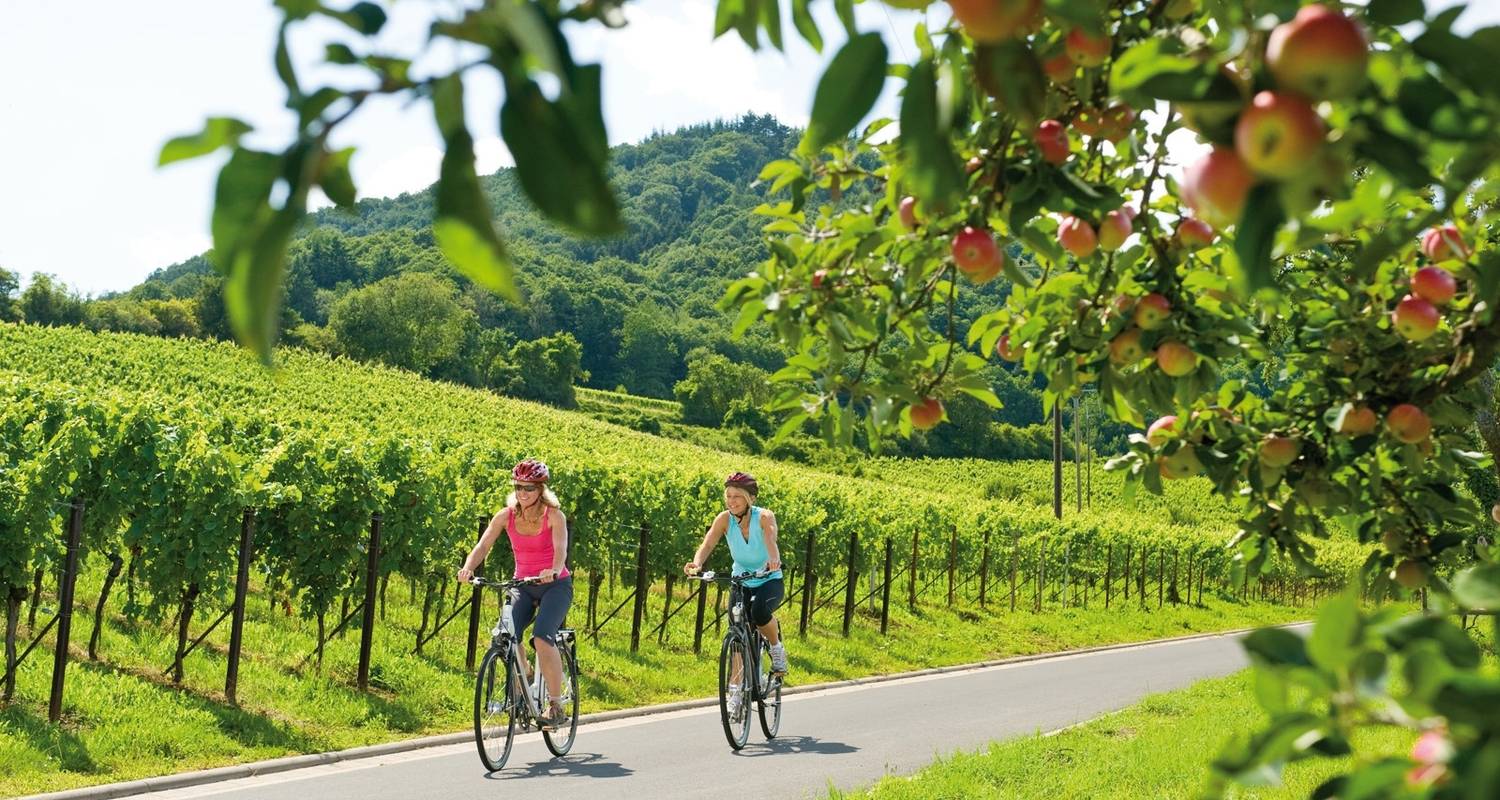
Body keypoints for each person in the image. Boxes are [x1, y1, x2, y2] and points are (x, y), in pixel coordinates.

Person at [458, 458, 572, 729]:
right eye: (519, 487)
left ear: (541, 490)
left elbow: (561, 551)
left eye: (529, 488)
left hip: (555, 585)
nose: (523, 493)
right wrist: (468, 568)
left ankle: (555, 705)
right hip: (522, 584)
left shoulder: (554, 516)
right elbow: (483, 544)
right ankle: (525, 674)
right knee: (504, 634)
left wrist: (553, 570)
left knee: (542, 639)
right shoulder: (506, 515)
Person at [683, 471, 786, 717]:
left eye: (737, 497)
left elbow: (771, 538)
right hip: (740, 580)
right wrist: (697, 564)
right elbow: (708, 544)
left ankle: (776, 649)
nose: (731, 501)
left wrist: (773, 560)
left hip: (767, 579)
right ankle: (735, 693)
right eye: (728, 496)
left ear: (750, 498)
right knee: (737, 637)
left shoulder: (764, 517)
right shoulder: (724, 519)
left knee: (760, 612)